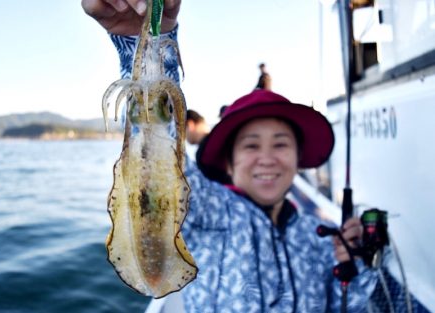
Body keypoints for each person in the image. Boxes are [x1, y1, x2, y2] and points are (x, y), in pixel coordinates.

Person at [82, 1, 377, 312]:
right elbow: (159, 157)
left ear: (298, 157)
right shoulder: (212, 213)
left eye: (280, 144)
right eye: (251, 145)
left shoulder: (315, 236)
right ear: (229, 161)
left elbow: (343, 303)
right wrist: (142, 38)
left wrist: (357, 262)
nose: (267, 158)